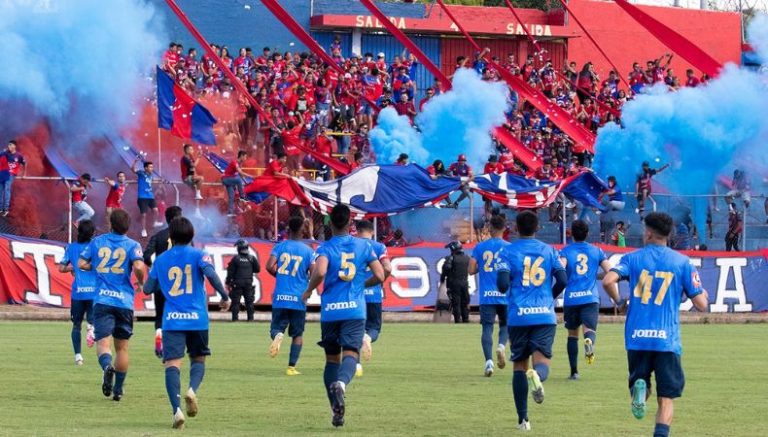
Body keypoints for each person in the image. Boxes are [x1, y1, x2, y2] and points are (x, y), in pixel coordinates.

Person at [602, 212, 709, 437]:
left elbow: (608, 280)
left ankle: (640, 392)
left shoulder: (632, 258)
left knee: (640, 384)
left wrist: (620, 302)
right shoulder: (682, 262)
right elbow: (701, 304)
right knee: (666, 399)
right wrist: (702, 294)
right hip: (666, 340)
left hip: (637, 338)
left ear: (649, 233)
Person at [300, 204, 385, 428]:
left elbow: (320, 271)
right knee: (351, 353)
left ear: (330, 223)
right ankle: (342, 384)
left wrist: (308, 291)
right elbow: (380, 274)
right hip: (354, 310)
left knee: (331, 360)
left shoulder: (325, 248)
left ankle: (335, 411)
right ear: (350, 223)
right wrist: (361, 284)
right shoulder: (364, 246)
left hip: (330, 311)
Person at [143, 217, 231, 429]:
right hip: (197, 319)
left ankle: (177, 411)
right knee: (198, 359)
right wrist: (224, 296)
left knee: (172, 364)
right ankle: (191, 390)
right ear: (192, 235)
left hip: (172, 320)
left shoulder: (161, 260)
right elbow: (211, 274)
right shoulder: (199, 255)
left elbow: (147, 288)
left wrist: (162, 281)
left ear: (171, 237)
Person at [495, 210, 568, 431]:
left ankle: (523, 420)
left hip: (518, 316)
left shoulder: (506, 252)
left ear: (515, 228)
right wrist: (549, 297)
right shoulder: (550, 251)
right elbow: (563, 279)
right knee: (541, 363)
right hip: (544, 315)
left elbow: (502, 285)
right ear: (537, 228)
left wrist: (509, 284)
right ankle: (537, 376)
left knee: (519, 365)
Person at [78, 209, 145, 402]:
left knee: (103, 343)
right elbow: (139, 266)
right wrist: (140, 282)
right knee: (122, 348)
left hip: (103, 300)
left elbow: (81, 263)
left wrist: (96, 266)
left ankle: (107, 367)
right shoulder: (133, 245)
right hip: (124, 302)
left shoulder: (97, 242)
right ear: (127, 226)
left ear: (110, 223)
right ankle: (118, 389)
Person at [558, 220, 611, 380]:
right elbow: (610, 270)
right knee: (590, 330)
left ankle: (574, 372)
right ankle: (589, 341)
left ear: (571, 234)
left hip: (572, 298)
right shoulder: (597, 251)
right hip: (590, 297)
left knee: (572, 335)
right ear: (587, 233)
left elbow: (560, 269)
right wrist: (596, 275)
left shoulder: (566, 251)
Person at [265, 216, 315, 375]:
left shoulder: (280, 246)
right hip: (299, 297)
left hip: (281, 296)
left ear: (289, 229)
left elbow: (269, 266)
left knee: (275, 328)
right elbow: (314, 272)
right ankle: (291, 367)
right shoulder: (308, 251)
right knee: (297, 334)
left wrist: (279, 275)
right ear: (302, 230)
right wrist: (307, 284)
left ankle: (278, 335)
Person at [468, 214, 510, 377]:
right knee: (505, 325)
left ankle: (489, 362)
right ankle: (501, 346)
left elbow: (471, 270)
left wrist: (485, 268)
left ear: (490, 228)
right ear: (504, 228)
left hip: (487, 296)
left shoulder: (480, 247)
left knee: (487, 328)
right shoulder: (510, 247)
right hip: (505, 295)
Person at [144, 205, 184, 358]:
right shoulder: (185, 238)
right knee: (178, 315)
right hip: (179, 285)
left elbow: (146, 256)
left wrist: (154, 267)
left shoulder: (158, 236)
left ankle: (159, 335)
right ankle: (173, 346)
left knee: (160, 314)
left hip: (161, 282)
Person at [59, 220, 98, 366]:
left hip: (78, 293)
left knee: (76, 325)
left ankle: (78, 357)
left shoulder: (71, 248)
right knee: (94, 319)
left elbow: (61, 268)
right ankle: (91, 328)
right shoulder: (95, 246)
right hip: (93, 291)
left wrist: (73, 268)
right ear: (92, 233)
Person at [356, 219, 392, 377]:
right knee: (374, 329)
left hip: (355, 295)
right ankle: (368, 338)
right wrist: (380, 280)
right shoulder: (379, 247)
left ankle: (356, 364)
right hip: (374, 296)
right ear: (372, 232)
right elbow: (388, 268)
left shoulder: (352, 246)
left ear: (357, 231)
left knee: (354, 330)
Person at [225, 239, 260, 321]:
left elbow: (230, 272)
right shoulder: (252, 258)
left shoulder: (236, 259)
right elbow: (257, 269)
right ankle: (250, 319)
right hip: (248, 282)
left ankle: (235, 319)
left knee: (235, 302)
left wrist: (228, 282)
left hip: (237, 283)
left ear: (239, 248)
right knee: (249, 301)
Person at [132, 157, 164, 237]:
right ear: (146, 168)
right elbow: (133, 170)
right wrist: (135, 162)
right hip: (142, 197)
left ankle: (154, 222)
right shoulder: (141, 173)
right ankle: (143, 230)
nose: (152, 168)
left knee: (156, 210)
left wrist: (160, 180)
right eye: (150, 167)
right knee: (143, 215)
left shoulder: (150, 175)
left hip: (150, 196)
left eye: (152, 167)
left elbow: (153, 180)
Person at [441, 241, 471, 323]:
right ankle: (466, 320)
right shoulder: (467, 257)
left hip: (454, 284)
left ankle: (458, 321)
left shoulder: (451, 258)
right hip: (465, 283)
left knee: (456, 303)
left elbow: (446, 268)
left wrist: (442, 278)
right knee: (465, 303)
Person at [222, 151, 256, 216]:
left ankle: (230, 213)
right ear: (241, 156)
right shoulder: (234, 162)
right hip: (226, 179)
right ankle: (242, 197)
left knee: (231, 197)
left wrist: (245, 182)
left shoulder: (239, 164)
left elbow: (240, 175)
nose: (245, 159)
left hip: (230, 181)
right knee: (238, 181)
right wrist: (251, 176)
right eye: (245, 157)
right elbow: (240, 173)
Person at [0, 140, 26, 216]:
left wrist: (24, 174)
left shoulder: (19, 156)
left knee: (6, 189)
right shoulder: (5, 153)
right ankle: (0, 208)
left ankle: (6, 209)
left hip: (11, 174)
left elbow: (24, 164)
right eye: (8, 145)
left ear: (15, 146)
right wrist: (2, 152)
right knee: (0, 190)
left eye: (11, 145)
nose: (9, 146)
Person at [181, 144, 205, 209]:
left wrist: (195, 175)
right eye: (191, 149)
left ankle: (196, 210)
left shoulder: (191, 158)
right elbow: (194, 165)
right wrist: (199, 157)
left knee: (195, 192)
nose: (193, 150)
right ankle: (198, 194)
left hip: (191, 178)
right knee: (201, 178)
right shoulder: (185, 158)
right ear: (187, 150)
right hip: (186, 178)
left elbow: (193, 169)